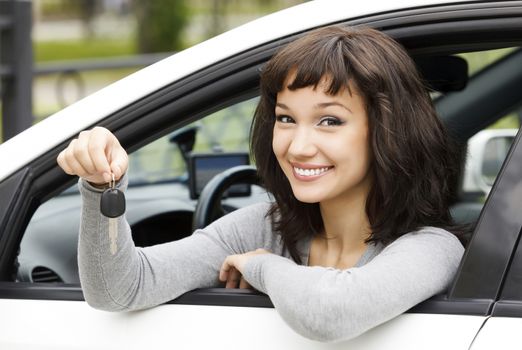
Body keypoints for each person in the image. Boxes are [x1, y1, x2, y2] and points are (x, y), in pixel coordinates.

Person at [57, 25, 465, 342]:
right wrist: (100, 186)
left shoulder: (431, 248)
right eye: (286, 118)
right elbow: (120, 289)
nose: (298, 146)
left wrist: (261, 266)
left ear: (387, 130)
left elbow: (332, 311)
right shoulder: (260, 228)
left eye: (330, 121)